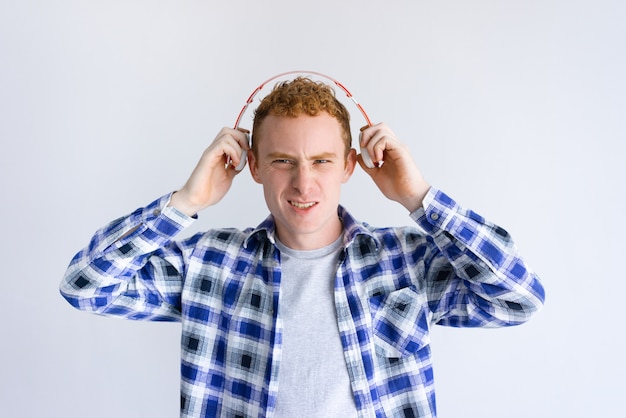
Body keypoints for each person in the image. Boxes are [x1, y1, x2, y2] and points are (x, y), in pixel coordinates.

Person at [60, 77, 545, 418]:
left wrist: (418, 199)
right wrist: (185, 203)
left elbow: (518, 297)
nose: (303, 181)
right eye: (282, 160)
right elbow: (86, 286)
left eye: (321, 159)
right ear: (252, 165)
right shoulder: (209, 264)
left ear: (350, 165)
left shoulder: (404, 261)